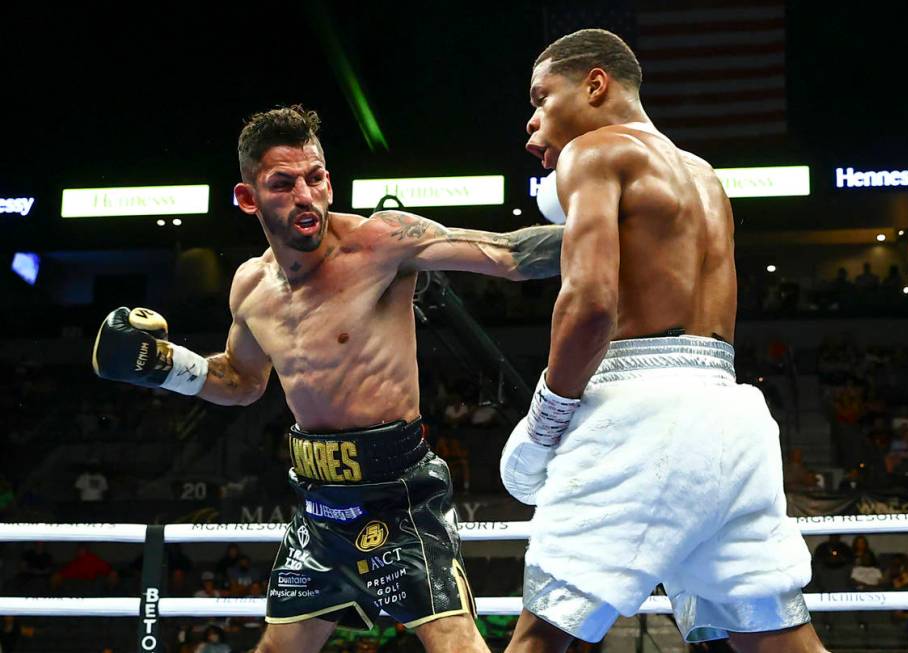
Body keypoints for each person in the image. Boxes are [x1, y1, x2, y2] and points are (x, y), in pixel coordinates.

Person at [92, 105, 562, 653]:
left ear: (330, 182)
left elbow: (508, 255)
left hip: (400, 491)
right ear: (249, 199)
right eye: (283, 183)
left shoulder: (381, 242)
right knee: (277, 649)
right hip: (319, 500)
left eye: (315, 178)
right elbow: (242, 381)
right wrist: (167, 367)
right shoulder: (249, 286)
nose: (305, 196)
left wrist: (617, 229)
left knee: (453, 642)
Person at [499, 29, 822, 652]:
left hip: (638, 409)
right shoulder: (704, 177)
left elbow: (591, 303)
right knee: (781, 641)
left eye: (542, 99)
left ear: (594, 84)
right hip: (731, 416)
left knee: (540, 634)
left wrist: (547, 417)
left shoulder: (593, 153)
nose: (534, 120)